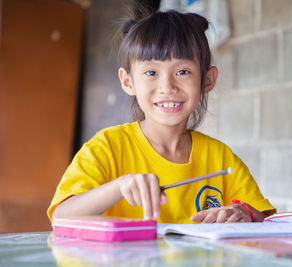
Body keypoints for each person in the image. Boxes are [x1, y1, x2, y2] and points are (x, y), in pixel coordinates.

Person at [48, 8, 275, 224]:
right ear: (128, 81)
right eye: (151, 72)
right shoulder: (106, 148)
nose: (167, 86)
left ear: (207, 80)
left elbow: (267, 221)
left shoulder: (221, 157)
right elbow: (60, 217)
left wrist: (245, 213)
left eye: (182, 71)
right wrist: (119, 186)